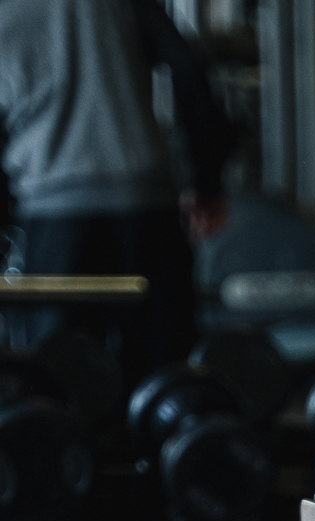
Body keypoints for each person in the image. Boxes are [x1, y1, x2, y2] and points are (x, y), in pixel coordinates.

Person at [0, 0, 233, 385]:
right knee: (167, 381)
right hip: (144, 206)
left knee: (61, 384)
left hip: (53, 212)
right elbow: (190, 71)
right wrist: (206, 182)